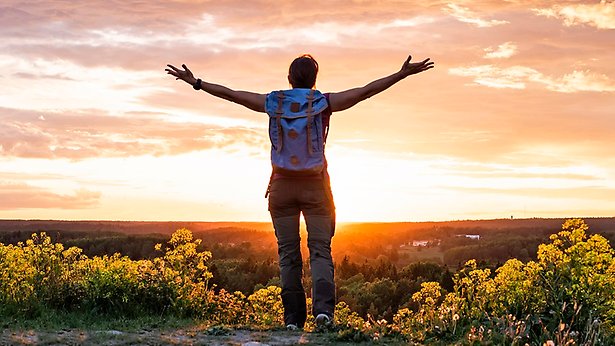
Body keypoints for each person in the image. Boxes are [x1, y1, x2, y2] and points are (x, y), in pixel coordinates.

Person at [165, 53, 434, 330]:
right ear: (314, 80)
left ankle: (293, 320)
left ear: (289, 79)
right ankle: (324, 314)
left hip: (281, 187)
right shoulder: (323, 102)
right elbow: (365, 92)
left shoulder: (273, 102)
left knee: (288, 254)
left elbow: (233, 95)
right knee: (320, 251)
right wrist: (401, 74)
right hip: (315, 186)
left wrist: (196, 82)